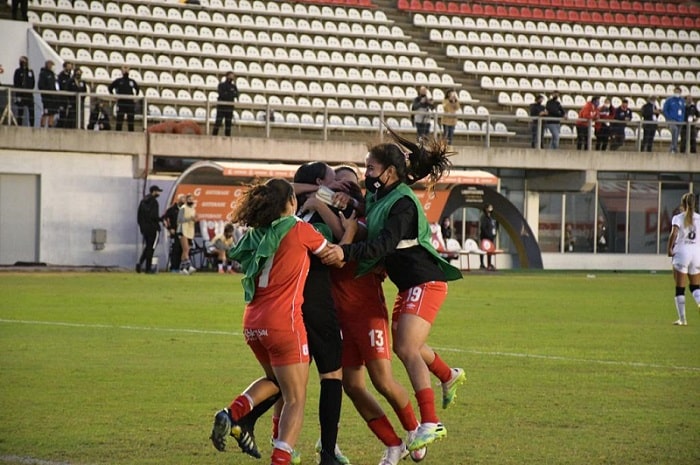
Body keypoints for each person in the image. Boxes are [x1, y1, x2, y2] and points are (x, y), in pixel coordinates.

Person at [319, 130, 466, 455]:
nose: (366, 173)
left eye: (370, 168)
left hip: (425, 280)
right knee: (408, 346)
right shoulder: (379, 195)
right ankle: (447, 375)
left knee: (406, 347)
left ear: (389, 172)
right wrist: (351, 202)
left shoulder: (403, 203)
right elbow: (370, 212)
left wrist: (346, 252)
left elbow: (383, 243)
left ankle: (430, 421)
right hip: (408, 285)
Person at [210, 178, 338, 465]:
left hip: (253, 321)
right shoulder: (301, 229)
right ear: (291, 202)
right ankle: (280, 458)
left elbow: (238, 254)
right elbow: (332, 256)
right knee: (295, 397)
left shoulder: (256, 234)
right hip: (284, 322)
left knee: (275, 382)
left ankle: (231, 414)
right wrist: (350, 237)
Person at [329, 166, 427, 465]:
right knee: (353, 386)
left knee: (382, 380)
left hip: (368, 313)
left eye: (346, 183)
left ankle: (414, 431)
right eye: (335, 183)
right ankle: (392, 443)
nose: (339, 189)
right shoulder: (330, 220)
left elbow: (348, 239)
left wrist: (323, 204)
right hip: (341, 318)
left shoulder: (365, 224)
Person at [667, 193, 700, 326]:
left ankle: (682, 319)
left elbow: (673, 234)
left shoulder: (678, 218)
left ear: (683, 204)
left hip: (682, 252)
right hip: (697, 254)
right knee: (695, 286)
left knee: (680, 288)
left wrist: (669, 249)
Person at [136, 185, 163, 274]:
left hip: (145, 229)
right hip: (153, 228)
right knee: (151, 248)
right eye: (158, 191)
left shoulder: (143, 202)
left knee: (148, 247)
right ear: (154, 191)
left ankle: (140, 263)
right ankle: (148, 268)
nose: (159, 193)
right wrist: (161, 220)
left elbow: (139, 217)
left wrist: (142, 227)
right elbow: (154, 216)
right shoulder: (154, 202)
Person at [108, 66, 140, 132]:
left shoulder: (132, 81)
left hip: (130, 103)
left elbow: (137, 89)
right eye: (124, 68)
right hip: (121, 103)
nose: (125, 70)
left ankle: (131, 136)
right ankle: (117, 135)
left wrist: (135, 98)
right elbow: (110, 87)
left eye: (127, 68)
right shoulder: (118, 81)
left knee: (131, 121)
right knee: (119, 120)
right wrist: (114, 96)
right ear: (121, 70)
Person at [161, 194, 185, 272]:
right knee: (175, 250)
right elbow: (164, 219)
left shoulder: (186, 209)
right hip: (175, 233)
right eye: (182, 198)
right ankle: (174, 267)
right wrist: (169, 228)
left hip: (184, 233)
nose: (184, 200)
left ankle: (181, 267)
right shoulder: (172, 210)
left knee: (183, 250)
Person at [212, 71, 239, 137]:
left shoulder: (234, 86)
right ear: (227, 76)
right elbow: (221, 94)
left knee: (228, 124)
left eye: (233, 76)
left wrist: (228, 94)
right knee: (218, 122)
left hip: (229, 108)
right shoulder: (221, 85)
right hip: (221, 107)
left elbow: (236, 94)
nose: (232, 77)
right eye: (230, 75)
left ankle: (227, 137)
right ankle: (214, 136)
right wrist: (230, 94)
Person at [177, 194, 197, 275]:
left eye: (192, 199)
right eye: (189, 199)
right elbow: (180, 220)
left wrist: (194, 219)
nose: (190, 201)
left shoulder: (193, 209)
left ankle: (182, 268)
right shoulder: (183, 208)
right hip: (182, 230)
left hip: (189, 231)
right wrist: (190, 219)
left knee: (186, 250)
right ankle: (188, 266)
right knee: (185, 249)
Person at [13, 56, 35, 127]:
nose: (23, 63)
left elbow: (33, 82)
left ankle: (32, 125)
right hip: (20, 94)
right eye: (22, 61)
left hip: (29, 94)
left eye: (24, 61)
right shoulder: (18, 71)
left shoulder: (30, 71)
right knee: (20, 111)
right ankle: (19, 125)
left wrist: (30, 89)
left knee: (31, 110)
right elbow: (15, 82)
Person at [663, 87, 686, 154]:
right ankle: (674, 147)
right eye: (676, 91)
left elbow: (683, 110)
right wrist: (668, 118)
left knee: (677, 135)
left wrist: (682, 118)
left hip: (680, 120)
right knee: (674, 130)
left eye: (678, 92)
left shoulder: (682, 100)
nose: (677, 93)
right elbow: (665, 110)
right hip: (672, 120)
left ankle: (673, 148)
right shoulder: (669, 100)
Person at [37, 60, 58, 128]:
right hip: (46, 97)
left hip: (53, 97)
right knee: (46, 112)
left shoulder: (52, 74)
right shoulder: (43, 74)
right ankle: (42, 125)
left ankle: (50, 125)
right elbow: (40, 85)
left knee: (52, 112)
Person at [479, 204, 497, 271]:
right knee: (483, 250)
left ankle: (489, 263)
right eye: (489, 208)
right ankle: (482, 264)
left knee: (490, 251)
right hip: (485, 237)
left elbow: (494, 226)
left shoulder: (492, 218)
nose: (490, 209)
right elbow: (483, 227)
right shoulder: (484, 217)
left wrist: (493, 234)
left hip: (491, 237)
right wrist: (487, 234)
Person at [56, 61, 74, 128]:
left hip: (70, 98)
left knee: (70, 114)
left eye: (70, 67)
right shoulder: (60, 76)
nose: (69, 68)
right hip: (62, 98)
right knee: (62, 113)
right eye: (68, 67)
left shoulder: (71, 77)